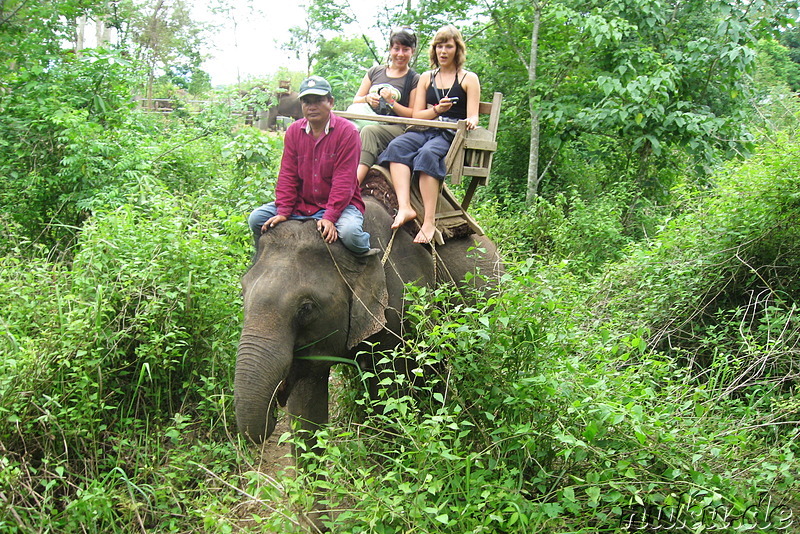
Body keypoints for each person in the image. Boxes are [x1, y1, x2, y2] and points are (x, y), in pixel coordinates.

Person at [377, 25, 481, 244]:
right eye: (439, 46)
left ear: (457, 49)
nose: (443, 51)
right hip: (426, 127)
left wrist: (470, 121)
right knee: (397, 147)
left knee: (427, 154)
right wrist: (437, 110)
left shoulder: (468, 78)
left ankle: (429, 222)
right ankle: (405, 206)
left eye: (448, 46)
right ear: (434, 50)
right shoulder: (427, 77)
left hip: (451, 134)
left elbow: (473, 116)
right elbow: (417, 115)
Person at [248, 75, 372, 256]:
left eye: (318, 100)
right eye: (306, 101)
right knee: (256, 219)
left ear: (330, 102)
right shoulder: (293, 131)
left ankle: (368, 263)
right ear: (301, 105)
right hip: (302, 202)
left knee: (351, 234)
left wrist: (330, 217)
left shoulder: (348, 132)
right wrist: (283, 210)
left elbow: (344, 181)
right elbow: (287, 175)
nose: (311, 106)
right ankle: (261, 259)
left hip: (340, 205)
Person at [351, 27, 420, 184]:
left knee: (369, 132)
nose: (400, 54)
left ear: (412, 52)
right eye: (396, 49)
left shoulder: (414, 78)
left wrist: (391, 102)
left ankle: (353, 185)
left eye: (405, 49)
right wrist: (368, 98)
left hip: (396, 128)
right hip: (368, 119)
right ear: (390, 49)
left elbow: (413, 114)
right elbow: (356, 99)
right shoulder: (375, 71)